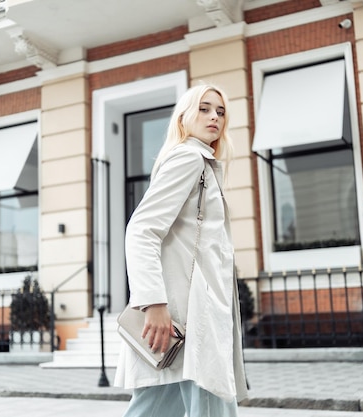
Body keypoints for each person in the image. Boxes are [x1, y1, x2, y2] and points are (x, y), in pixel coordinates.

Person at [114, 84, 248, 417]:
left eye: (220, 111)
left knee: (153, 409)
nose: (214, 116)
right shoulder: (190, 158)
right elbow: (142, 229)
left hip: (190, 318)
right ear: (184, 116)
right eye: (204, 108)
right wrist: (154, 303)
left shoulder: (202, 163)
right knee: (212, 402)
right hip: (190, 318)